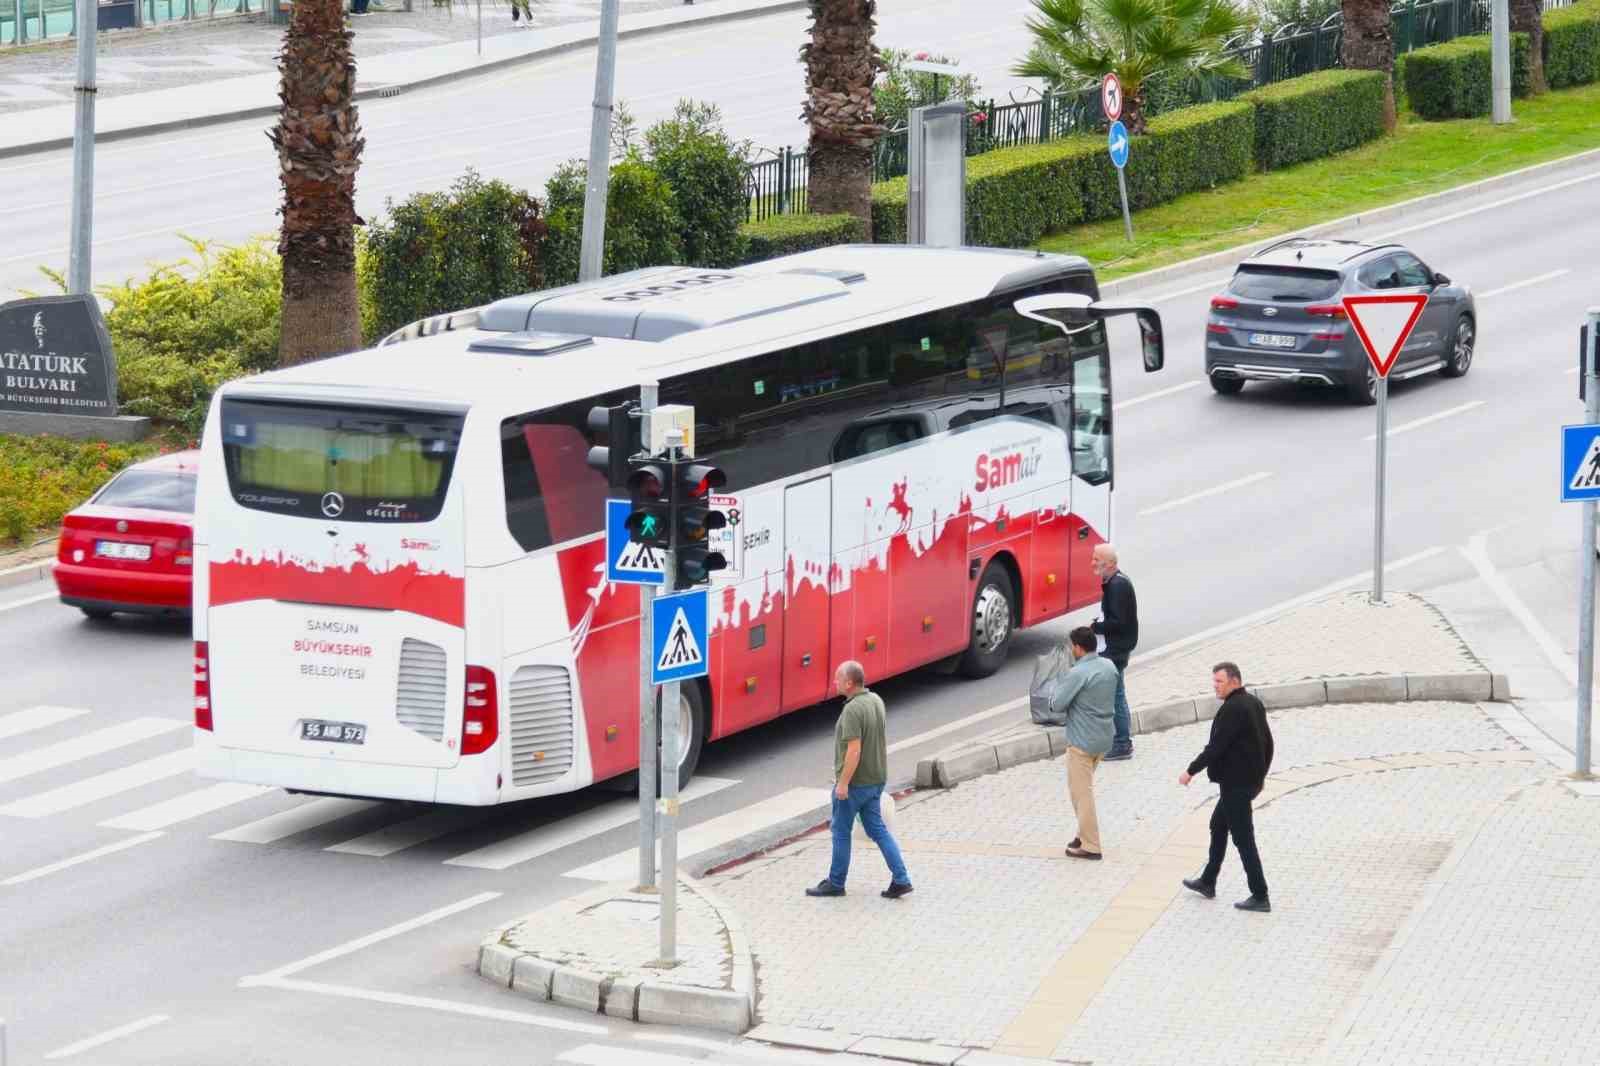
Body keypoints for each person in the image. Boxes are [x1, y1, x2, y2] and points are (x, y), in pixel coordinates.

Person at [805, 661, 913, 900]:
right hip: (876, 780)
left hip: (856, 784)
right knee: (878, 830)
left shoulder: (852, 710)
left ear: (849, 683)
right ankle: (901, 879)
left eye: (837, 679)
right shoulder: (876, 701)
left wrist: (843, 783)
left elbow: (854, 750)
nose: (834, 682)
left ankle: (835, 882)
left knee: (840, 831)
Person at [1179, 662, 1275, 913]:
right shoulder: (1253, 703)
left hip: (1237, 785)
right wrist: (1260, 776)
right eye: (1214, 682)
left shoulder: (1233, 709)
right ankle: (1208, 881)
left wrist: (1191, 770)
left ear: (1234, 681)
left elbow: (1216, 747)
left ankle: (1260, 894)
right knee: (1218, 825)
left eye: (1219, 682)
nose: (1215, 687)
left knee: (1244, 839)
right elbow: (1268, 743)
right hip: (1245, 782)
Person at [1051, 625, 1118, 860]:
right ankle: (1081, 834)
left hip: (1081, 741)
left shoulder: (1078, 673)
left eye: (1072, 646)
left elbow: (1057, 704)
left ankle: (1091, 845)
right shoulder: (1109, 666)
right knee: (1083, 789)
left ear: (1078, 648)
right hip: (1104, 737)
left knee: (1081, 793)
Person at [1090, 544, 1138, 760]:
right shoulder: (1115, 582)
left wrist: (1096, 627)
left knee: (1116, 695)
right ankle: (1122, 740)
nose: (1092, 562)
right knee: (1118, 693)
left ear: (1109, 563)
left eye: (1096, 559)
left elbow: (1118, 622)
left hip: (1115, 649)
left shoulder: (1117, 586)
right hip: (1118, 647)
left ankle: (1122, 743)